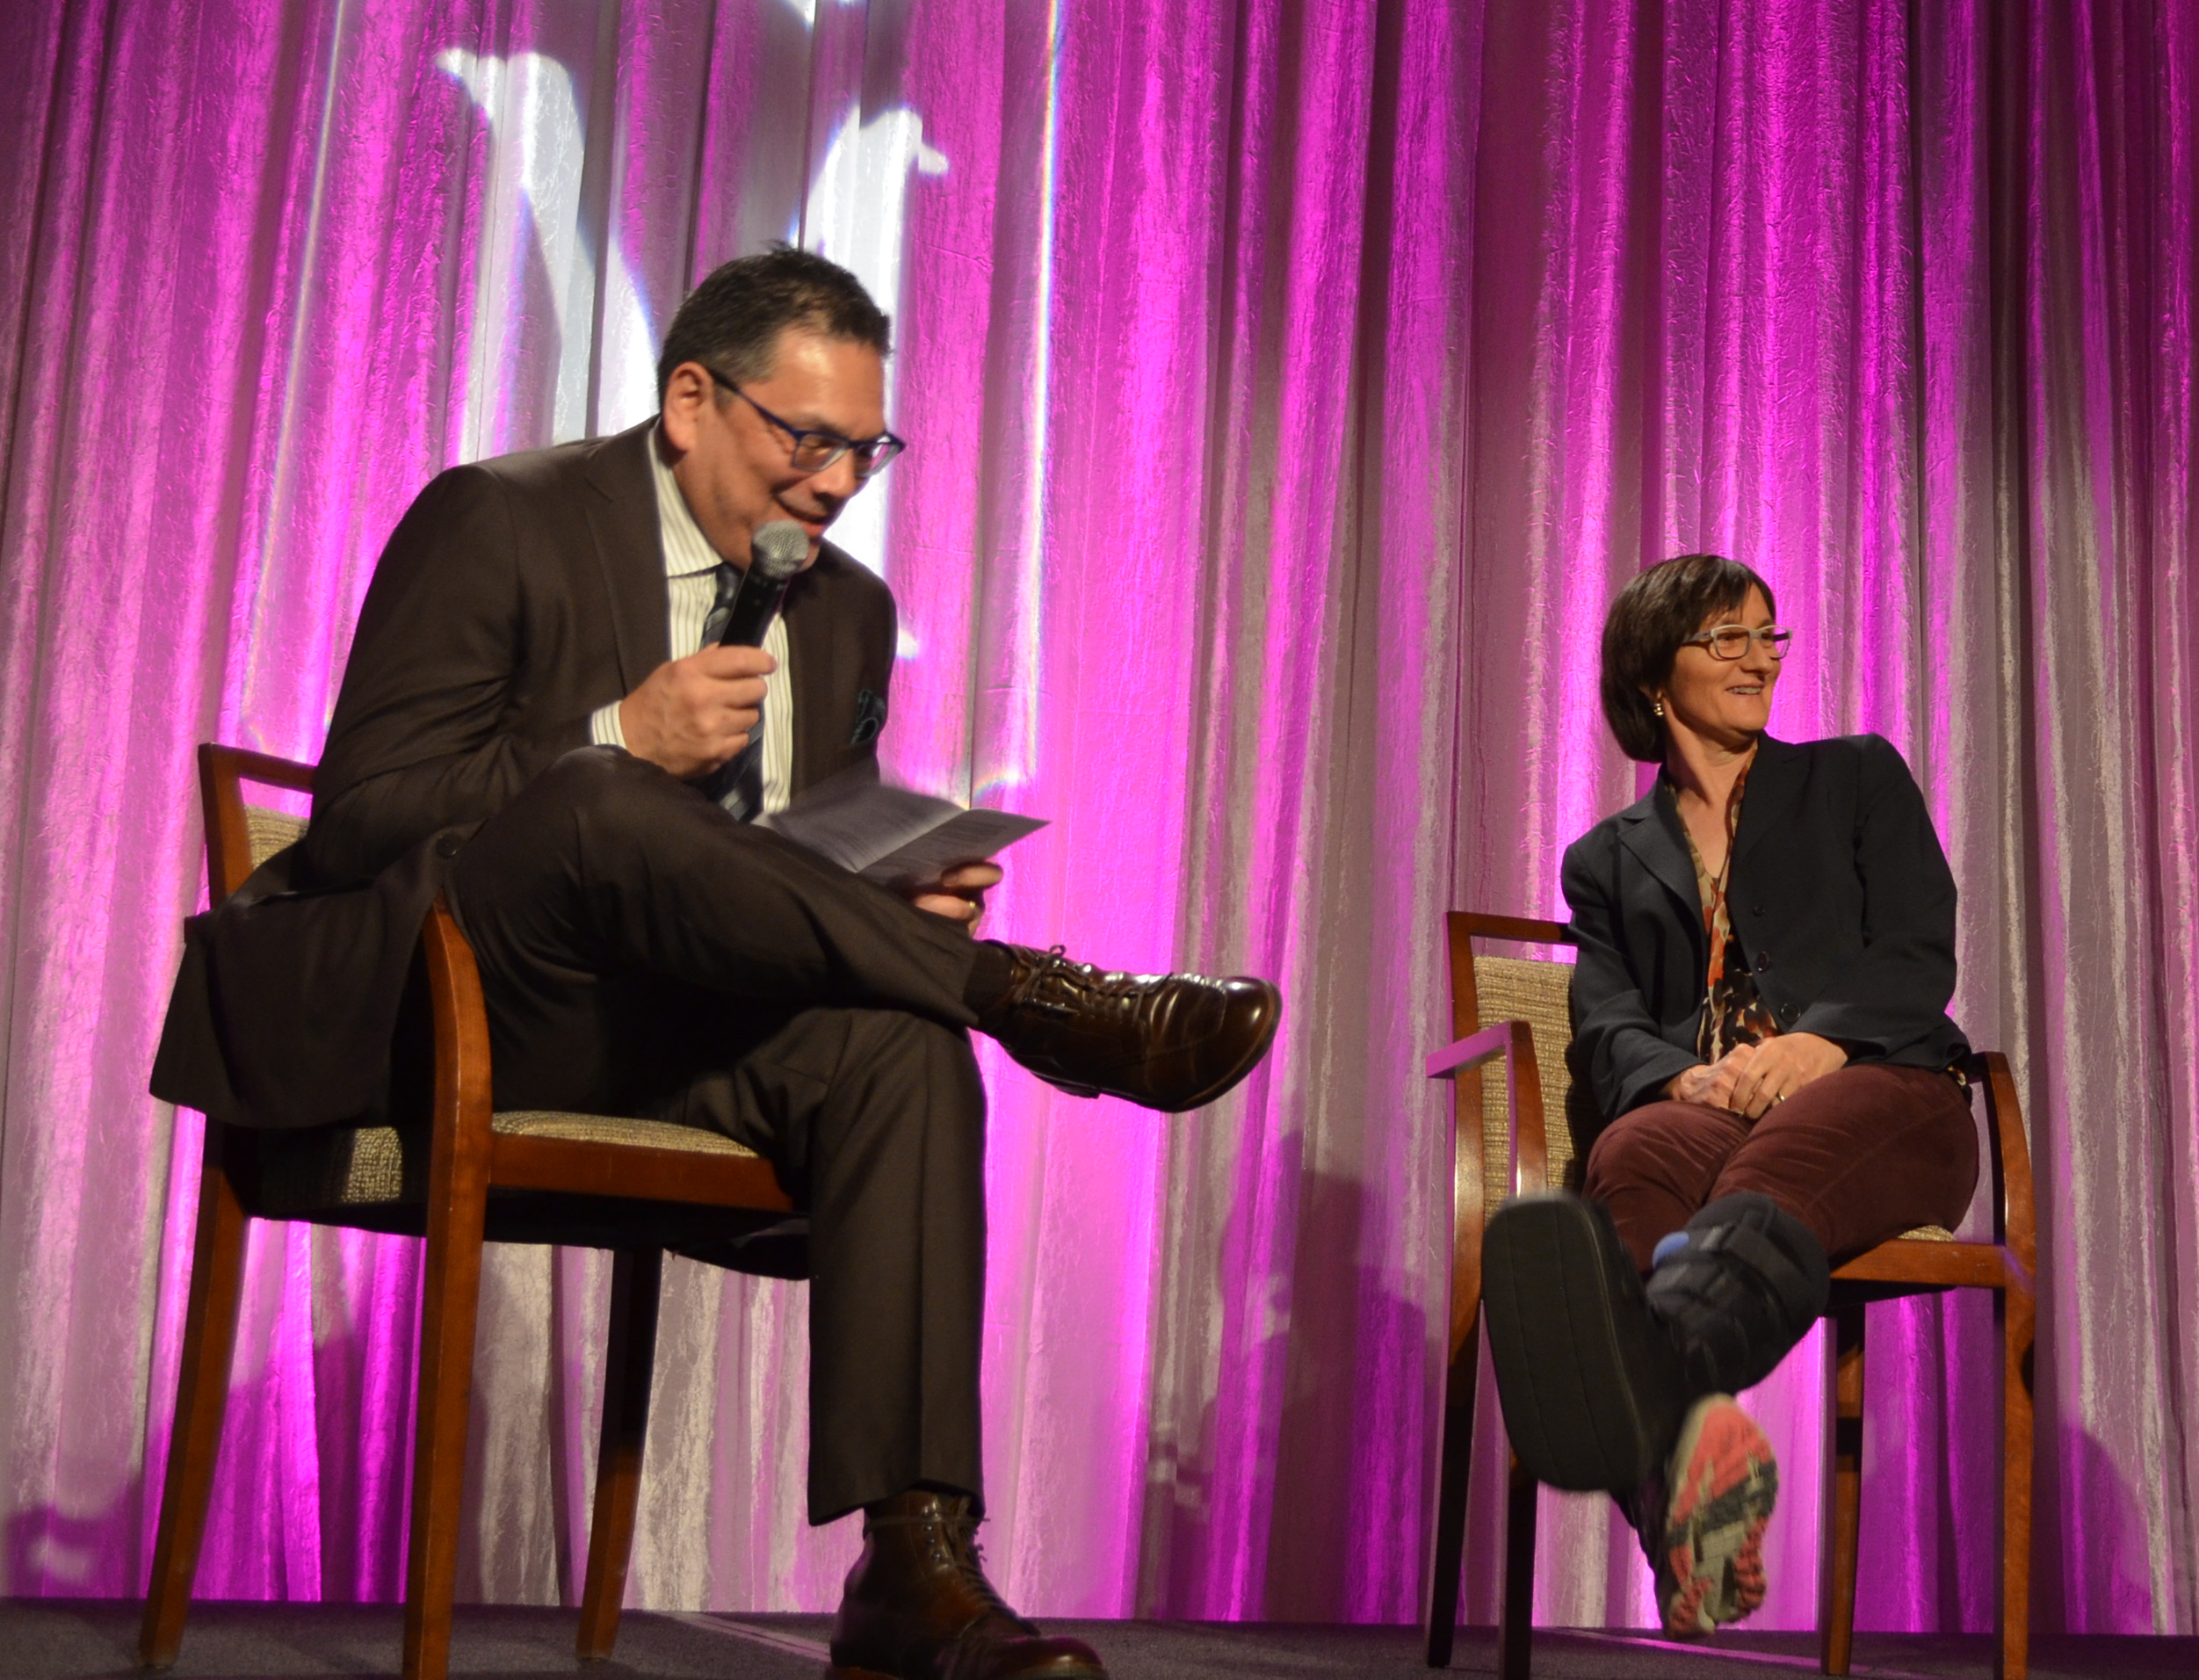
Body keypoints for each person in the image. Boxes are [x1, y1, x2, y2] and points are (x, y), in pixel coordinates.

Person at [150, 249, 1281, 1680]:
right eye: (808, 439)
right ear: (691, 400)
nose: (839, 481)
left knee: (897, 1041)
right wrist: (616, 734)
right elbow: (368, 808)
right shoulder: (500, 519)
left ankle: (915, 1567)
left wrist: (883, 887)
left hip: (685, 1034)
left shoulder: (847, 609)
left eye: (868, 448)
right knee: (604, 792)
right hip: (466, 1012)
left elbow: (778, 871)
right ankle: (1038, 1000)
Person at [1480, 554, 1978, 1638]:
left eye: (1768, 635)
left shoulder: (1854, 777)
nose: (1761, 659)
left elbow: (1915, 950)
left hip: (1886, 1095)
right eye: (1727, 639)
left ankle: (1645, 1399)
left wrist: (1816, 1044)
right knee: (1630, 1154)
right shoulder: (1605, 861)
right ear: (1654, 677)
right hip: (1713, 1109)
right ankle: (1687, 1502)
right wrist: (1681, 1075)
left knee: (1777, 1163)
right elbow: (1608, 1021)